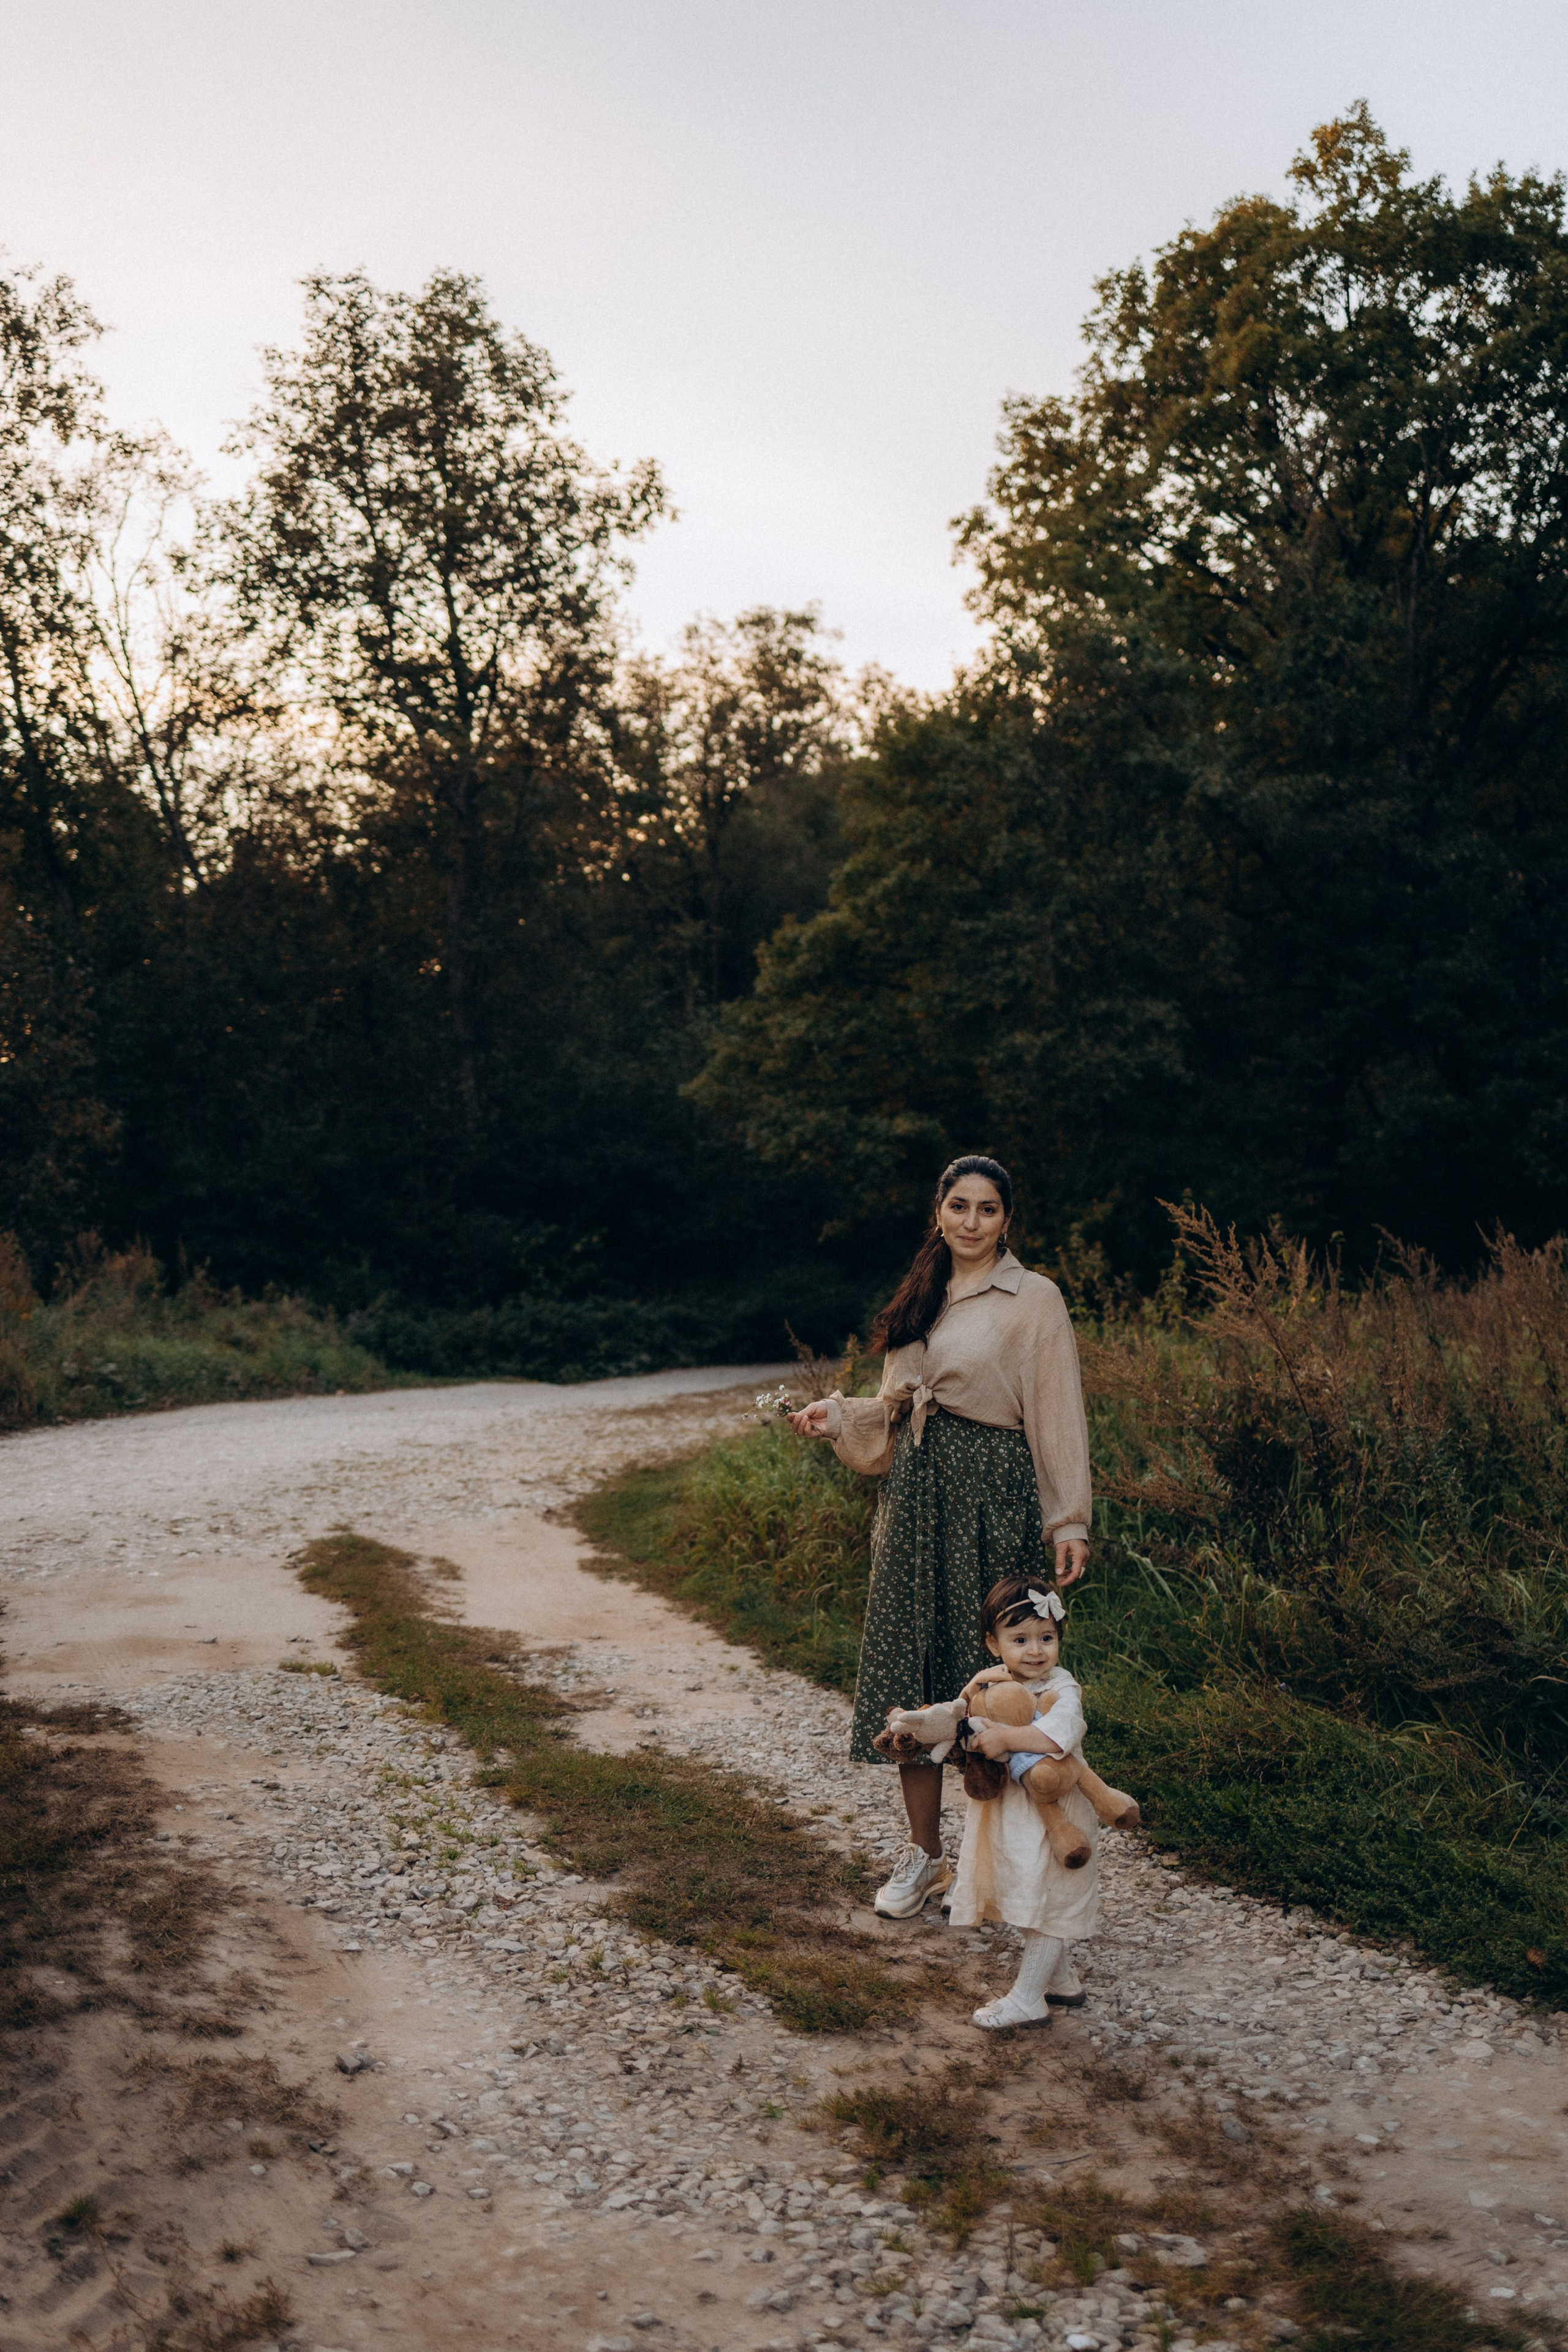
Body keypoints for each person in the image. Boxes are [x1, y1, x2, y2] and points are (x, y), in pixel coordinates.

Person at [789, 1153, 1090, 1919]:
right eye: (959, 1206)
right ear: (938, 1211)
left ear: (1006, 1221)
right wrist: (837, 1415)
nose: (971, 1221)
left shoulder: (1034, 1300)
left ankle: (1013, 1870)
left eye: (987, 1210)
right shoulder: (923, 1292)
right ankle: (925, 1858)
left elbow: (1057, 1416)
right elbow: (894, 1410)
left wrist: (1069, 1520)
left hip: (992, 1497)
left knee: (997, 1690)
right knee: (911, 1676)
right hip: (916, 1500)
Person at [896, 1577, 1102, 2029]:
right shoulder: (988, 1682)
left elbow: (1059, 1733)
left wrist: (1004, 1737)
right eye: (1021, 1639)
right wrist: (927, 1724)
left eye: (1047, 1639)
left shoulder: (1061, 1688)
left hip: (1056, 1809)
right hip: (1009, 1811)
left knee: (1051, 1898)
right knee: (1022, 1889)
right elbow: (957, 1713)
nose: (1035, 1651)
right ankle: (1062, 1980)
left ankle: (1029, 1998)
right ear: (994, 1643)